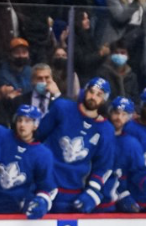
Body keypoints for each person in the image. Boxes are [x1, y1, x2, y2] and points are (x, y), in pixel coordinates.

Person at [36, 77, 116, 213]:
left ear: (104, 100)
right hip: (46, 185)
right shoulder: (62, 108)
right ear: (84, 91)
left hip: (75, 192)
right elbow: (37, 138)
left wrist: (93, 190)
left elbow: (103, 165)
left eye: (99, 95)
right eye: (91, 92)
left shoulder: (106, 129)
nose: (93, 97)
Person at [0, 105, 56, 217]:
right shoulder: (0, 134)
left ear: (35, 125)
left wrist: (42, 201)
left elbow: (47, 187)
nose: (22, 124)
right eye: (20, 120)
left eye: (27, 121)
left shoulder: (43, 154)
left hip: (14, 214)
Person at [101, 97, 146, 213]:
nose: (119, 118)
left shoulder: (131, 144)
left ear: (130, 117)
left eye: (124, 114)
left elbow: (139, 172)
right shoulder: (99, 135)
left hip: (114, 201)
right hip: (93, 196)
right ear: (110, 112)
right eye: (116, 113)